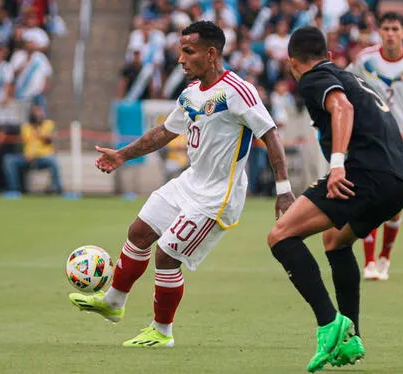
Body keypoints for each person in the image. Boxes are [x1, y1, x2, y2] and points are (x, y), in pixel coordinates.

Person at [68, 21, 294, 348]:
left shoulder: (238, 91)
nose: (181, 59)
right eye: (180, 51)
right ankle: (114, 302)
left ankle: (162, 331)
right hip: (189, 183)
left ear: (211, 53)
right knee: (139, 232)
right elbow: (165, 132)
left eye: (188, 52)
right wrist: (122, 155)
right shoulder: (190, 94)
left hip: (217, 196)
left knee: (166, 254)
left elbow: (270, 135)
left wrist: (284, 190)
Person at [267, 26, 403, 372]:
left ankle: (329, 324)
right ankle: (352, 336)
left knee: (280, 236)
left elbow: (342, 108)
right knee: (335, 241)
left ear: (292, 63)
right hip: (399, 181)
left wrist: (337, 165)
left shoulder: (314, 78)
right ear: (330, 56)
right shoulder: (350, 76)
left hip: (366, 176)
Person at [347, 12, 403, 281]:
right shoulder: (365, 60)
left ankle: (385, 258)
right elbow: (346, 87)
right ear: (379, 32)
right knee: (369, 200)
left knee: (394, 205)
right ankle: (370, 262)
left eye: (395, 28)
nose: (390, 33)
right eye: (386, 28)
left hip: (400, 144)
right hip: (369, 141)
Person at [2, 106, 63, 197]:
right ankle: (14, 190)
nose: (39, 115)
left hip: (43, 157)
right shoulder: (25, 127)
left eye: (40, 113)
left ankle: (58, 190)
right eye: (36, 113)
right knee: (9, 160)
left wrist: (39, 131)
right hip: (27, 158)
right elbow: (24, 142)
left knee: (53, 160)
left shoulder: (49, 124)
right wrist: (27, 155)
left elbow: (49, 139)